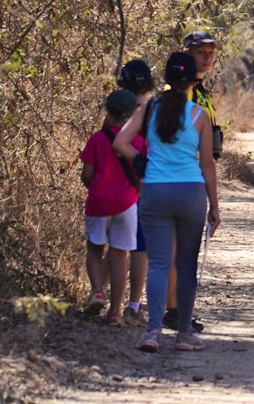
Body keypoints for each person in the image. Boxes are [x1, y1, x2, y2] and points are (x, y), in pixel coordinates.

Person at [114, 52, 221, 353]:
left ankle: (152, 332)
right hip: (191, 193)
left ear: (167, 79)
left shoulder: (148, 109)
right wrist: (214, 206)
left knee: (159, 264)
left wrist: (140, 160)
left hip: (155, 193)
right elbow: (207, 165)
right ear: (193, 81)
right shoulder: (200, 115)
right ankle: (184, 333)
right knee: (185, 265)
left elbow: (120, 142)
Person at [162, 30, 221, 333]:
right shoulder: (183, 93)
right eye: (201, 52)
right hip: (180, 181)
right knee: (176, 252)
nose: (207, 58)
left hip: (188, 182)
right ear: (186, 53)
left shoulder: (201, 93)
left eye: (211, 52)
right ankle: (172, 311)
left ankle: (173, 310)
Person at [79, 88, 142, 326]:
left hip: (98, 203)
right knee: (119, 257)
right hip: (126, 204)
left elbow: (86, 174)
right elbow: (141, 177)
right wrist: (133, 194)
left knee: (95, 250)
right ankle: (115, 312)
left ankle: (97, 291)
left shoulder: (97, 139)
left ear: (108, 112)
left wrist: (96, 187)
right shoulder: (138, 141)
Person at [116, 59, 156, 325]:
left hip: (117, 186)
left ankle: (113, 306)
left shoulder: (119, 108)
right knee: (141, 246)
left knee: (117, 246)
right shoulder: (152, 108)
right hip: (143, 185)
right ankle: (135, 305)